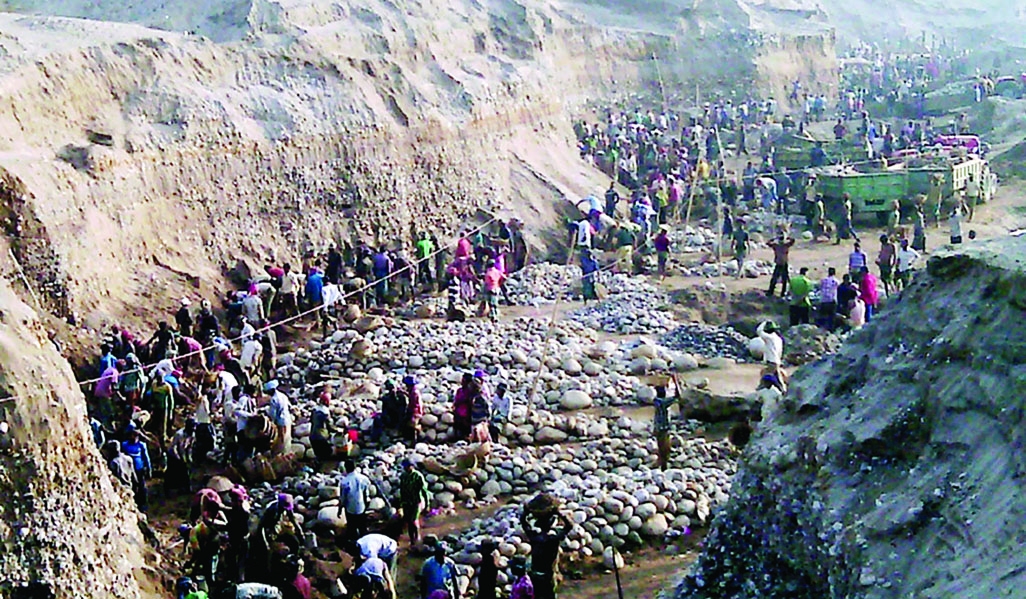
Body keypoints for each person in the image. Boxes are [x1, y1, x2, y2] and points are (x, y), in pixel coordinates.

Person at [521, 506, 573, 599]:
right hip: (548, 576)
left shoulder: (534, 537)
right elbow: (569, 526)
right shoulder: (553, 539)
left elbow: (524, 523)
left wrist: (526, 512)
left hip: (535, 576)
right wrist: (559, 513)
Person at [398, 459, 430, 547]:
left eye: (408, 467)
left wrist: (427, 504)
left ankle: (417, 537)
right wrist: (401, 504)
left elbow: (424, 491)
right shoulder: (403, 476)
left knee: (413, 520)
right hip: (406, 502)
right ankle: (412, 540)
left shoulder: (418, 476)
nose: (406, 468)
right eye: (405, 467)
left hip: (416, 502)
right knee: (408, 521)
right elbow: (402, 490)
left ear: (412, 466)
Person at [340, 459, 372, 542]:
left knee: (351, 528)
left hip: (350, 509)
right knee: (362, 528)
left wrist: (340, 510)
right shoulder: (364, 479)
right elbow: (366, 495)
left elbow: (343, 498)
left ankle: (353, 543)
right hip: (361, 507)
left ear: (346, 468)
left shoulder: (344, 482)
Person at [121, 426, 151, 511]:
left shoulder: (141, 445)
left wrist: (149, 469)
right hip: (128, 469)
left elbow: (146, 457)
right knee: (132, 485)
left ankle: (143, 505)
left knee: (142, 486)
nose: (134, 437)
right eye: (132, 435)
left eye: (136, 436)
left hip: (139, 468)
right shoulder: (124, 445)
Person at [165, 419, 196, 497]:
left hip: (183, 452)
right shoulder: (179, 434)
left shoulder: (192, 434)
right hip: (173, 455)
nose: (193, 429)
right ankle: (168, 489)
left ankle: (185, 488)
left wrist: (189, 458)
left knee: (186, 471)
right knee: (172, 472)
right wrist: (179, 458)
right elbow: (174, 447)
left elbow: (190, 446)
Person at [756, 321, 786, 388]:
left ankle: (761, 388)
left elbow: (759, 331)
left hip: (771, 361)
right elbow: (780, 351)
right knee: (778, 378)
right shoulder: (779, 339)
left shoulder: (769, 338)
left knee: (765, 375)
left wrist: (763, 323)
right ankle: (783, 389)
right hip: (776, 360)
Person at [266, 380, 292, 455]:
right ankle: (287, 452)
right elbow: (289, 406)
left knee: (281, 438)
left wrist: (271, 422)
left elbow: (273, 414)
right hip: (287, 418)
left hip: (281, 421)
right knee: (287, 437)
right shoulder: (283, 395)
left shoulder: (274, 399)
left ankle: (281, 454)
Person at [310, 389, 335, 464]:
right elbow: (329, 425)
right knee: (328, 453)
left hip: (312, 436)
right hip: (321, 437)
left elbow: (312, 421)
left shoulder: (314, 409)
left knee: (318, 455)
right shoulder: (325, 411)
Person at [766, 232, 795, 297]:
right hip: (780, 264)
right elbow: (767, 243)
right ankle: (772, 291)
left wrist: (786, 237)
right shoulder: (779, 245)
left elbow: (793, 240)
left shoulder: (783, 245)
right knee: (776, 279)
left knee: (782, 279)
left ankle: (781, 292)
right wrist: (775, 238)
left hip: (783, 264)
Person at [653, 385, 672, 471]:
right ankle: (663, 465)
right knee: (664, 448)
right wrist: (677, 395)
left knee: (663, 447)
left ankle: (663, 464)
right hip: (663, 429)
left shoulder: (657, 401)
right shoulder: (661, 402)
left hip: (660, 428)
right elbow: (671, 400)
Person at [452, 373, 474, 440]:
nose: (462, 382)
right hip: (458, 411)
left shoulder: (470, 392)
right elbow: (456, 400)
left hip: (466, 414)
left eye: (463, 380)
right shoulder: (459, 390)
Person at [817, 267, 840, 331]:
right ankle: (830, 330)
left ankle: (821, 330)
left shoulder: (823, 280)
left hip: (823, 300)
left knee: (822, 317)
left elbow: (820, 287)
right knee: (831, 318)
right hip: (832, 301)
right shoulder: (836, 281)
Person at [403, 375, 424, 443]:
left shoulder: (414, 393)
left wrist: (410, 414)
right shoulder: (413, 391)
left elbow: (414, 405)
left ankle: (416, 440)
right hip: (416, 411)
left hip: (416, 412)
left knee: (412, 425)